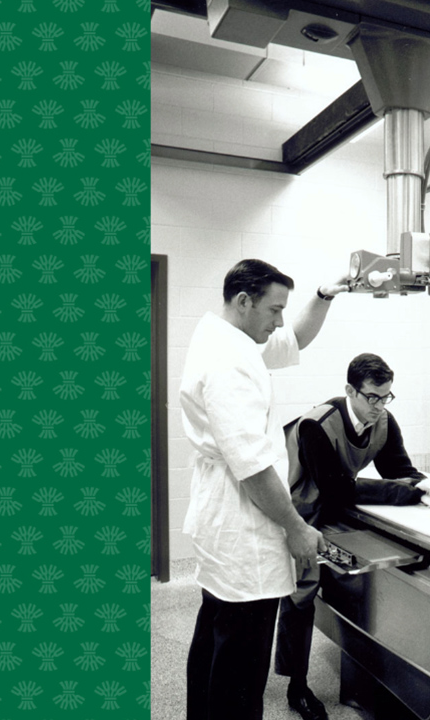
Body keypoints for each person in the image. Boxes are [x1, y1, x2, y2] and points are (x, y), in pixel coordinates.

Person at [180, 259, 349, 720]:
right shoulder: (228, 362)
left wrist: (324, 295)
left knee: (217, 633)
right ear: (243, 301)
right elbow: (252, 466)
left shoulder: (227, 335)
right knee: (242, 657)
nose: (278, 322)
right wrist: (295, 527)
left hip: (225, 520)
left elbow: (293, 340)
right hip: (241, 525)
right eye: (274, 310)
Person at [275, 352, 426, 720]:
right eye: (372, 397)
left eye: (386, 396)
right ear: (350, 391)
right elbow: (335, 488)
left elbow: (400, 470)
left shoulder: (384, 421)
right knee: (300, 595)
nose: (379, 406)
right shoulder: (317, 425)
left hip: (340, 511)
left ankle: (368, 672)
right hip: (304, 511)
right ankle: (297, 687)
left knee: (362, 582)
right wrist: (397, 491)